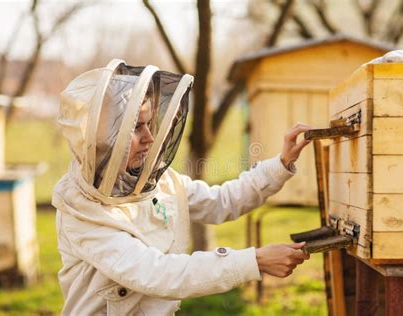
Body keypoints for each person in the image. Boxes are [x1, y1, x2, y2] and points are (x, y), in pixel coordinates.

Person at [53, 59, 312, 315]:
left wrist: (281, 163)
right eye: (137, 128)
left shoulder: (158, 182)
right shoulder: (80, 210)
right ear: (104, 138)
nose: (150, 138)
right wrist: (254, 260)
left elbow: (221, 201)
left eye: (149, 124)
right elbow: (156, 273)